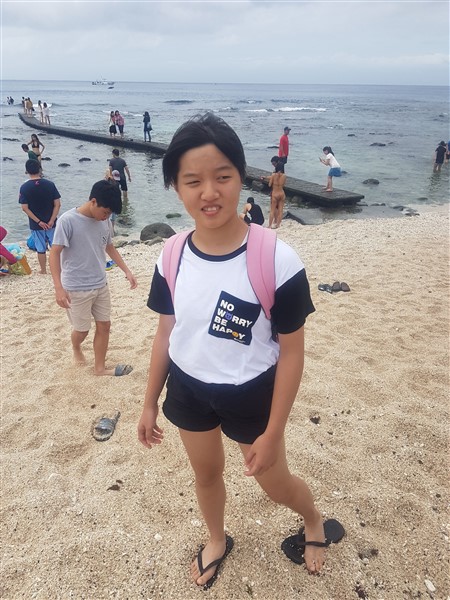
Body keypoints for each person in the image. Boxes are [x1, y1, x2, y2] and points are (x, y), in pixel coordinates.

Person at [137, 112, 329, 589]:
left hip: (251, 393)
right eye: (193, 181)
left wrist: (274, 430)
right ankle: (216, 538)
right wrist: (148, 401)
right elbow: (166, 332)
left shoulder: (276, 259)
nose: (209, 192)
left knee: (275, 484)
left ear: (241, 178)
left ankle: (312, 518)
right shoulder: (171, 254)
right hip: (188, 388)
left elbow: (292, 353)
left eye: (222, 177)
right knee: (206, 475)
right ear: (176, 188)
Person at [49, 179, 137, 376]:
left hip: (100, 283)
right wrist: (58, 288)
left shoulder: (103, 222)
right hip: (76, 287)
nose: (106, 217)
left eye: (110, 214)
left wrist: (127, 271)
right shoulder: (67, 220)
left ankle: (99, 368)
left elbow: (109, 247)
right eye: (105, 212)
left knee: (105, 325)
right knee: (82, 331)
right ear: (93, 201)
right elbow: (54, 253)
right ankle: (76, 347)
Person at [19, 159, 61, 274]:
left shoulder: (24, 187)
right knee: (55, 247)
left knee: (40, 248)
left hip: (36, 224)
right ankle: (58, 269)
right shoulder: (50, 184)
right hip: (51, 223)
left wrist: (39, 222)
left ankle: (43, 270)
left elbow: (25, 208)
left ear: (27, 171)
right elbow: (57, 204)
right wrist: (52, 220)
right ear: (40, 169)